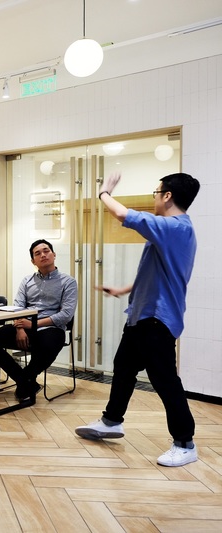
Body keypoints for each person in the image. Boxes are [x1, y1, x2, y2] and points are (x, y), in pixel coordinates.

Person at [75, 172, 201, 467]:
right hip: (142, 316)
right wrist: (125, 289)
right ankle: (111, 421)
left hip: (157, 319)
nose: (154, 196)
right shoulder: (173, 231)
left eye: (156, 191)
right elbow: (161, 272)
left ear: (167, 195)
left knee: (164, 380)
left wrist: (104, 192)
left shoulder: (175, 227)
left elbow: (124, 215)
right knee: (123, 367)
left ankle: (185, 443)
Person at [0, 239, 77, 402]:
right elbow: (17, 307)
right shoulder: (27, 281)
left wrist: (34, 324)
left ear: (54, 255)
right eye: (37, 253)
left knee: (49, 344)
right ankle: (25, 381)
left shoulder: (68, 282)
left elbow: (66, 314)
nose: (43, 255)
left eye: (46, 251)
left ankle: (25, 379)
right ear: (33, 261)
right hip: (24, 325)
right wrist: (20, 329)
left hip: (51, 327)